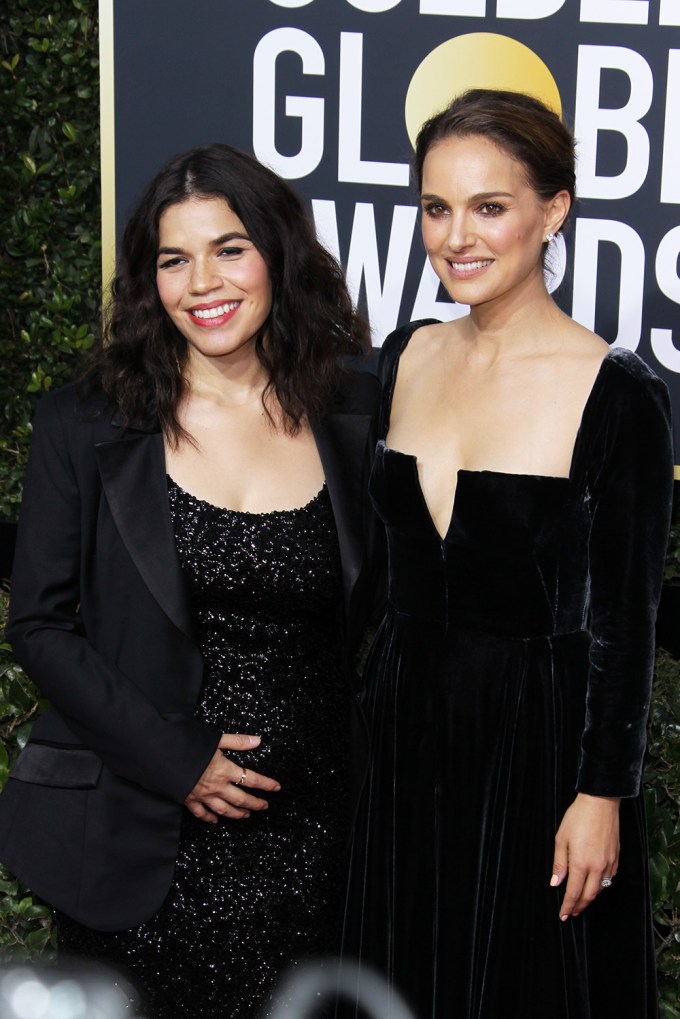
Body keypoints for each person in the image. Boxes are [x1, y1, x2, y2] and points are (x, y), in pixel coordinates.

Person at [0, 143, 380, 1018]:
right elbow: (41, 627)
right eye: (174, 259)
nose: (202, 282)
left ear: (278, 256)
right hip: (145, 839)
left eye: (229, 248)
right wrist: (180, 761)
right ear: (149, 279)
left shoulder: (355, 411)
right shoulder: (85, 421)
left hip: (319, 842)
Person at [341, 89, 673, 1018]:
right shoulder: (405, 354)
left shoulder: (618, 394)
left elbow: (625, 623)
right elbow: (374, 577)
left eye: (489, 206)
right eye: (437, 208)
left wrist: (602, 791)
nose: (457, 236)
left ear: (553, 209)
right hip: (405, 735)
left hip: (536, 746)